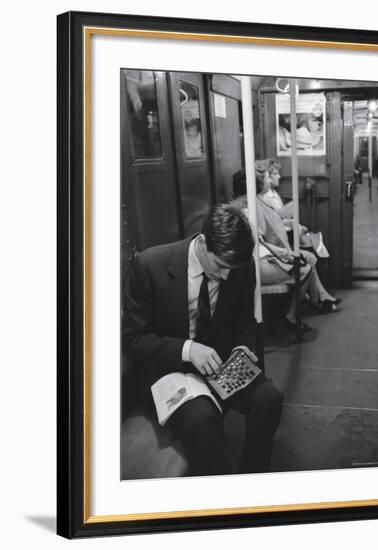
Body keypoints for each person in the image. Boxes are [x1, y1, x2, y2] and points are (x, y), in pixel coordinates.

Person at [123, 204, 283, 476]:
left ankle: (254, 474)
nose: (225, 276)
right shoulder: (150, 266)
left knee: (269, 398)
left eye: (232, 269)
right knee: (202, 419)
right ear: (203, 242)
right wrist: (187, 350)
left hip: (221, 362)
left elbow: (244, 322)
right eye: (220, 266)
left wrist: (243, 346)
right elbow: (133, 339)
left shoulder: (239, 269)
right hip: (171, 367)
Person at [232, 164, 341, 327]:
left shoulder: (247, 206)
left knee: (303, 263)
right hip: (253, 266)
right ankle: (291, 316)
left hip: (261, 257)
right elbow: (258, 236)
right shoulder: (246, 210)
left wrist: (278, 252)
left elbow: (259, 240)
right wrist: (279, 252)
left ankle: (315, 301)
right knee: (303, 270)